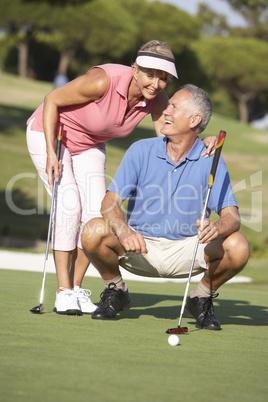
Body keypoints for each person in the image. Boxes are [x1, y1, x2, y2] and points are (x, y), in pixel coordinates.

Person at [26, 40, 216, 316]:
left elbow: (174, 137)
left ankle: (76, 289)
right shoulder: (102, 81)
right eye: (150, 74)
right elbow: (51, 100)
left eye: (163, 78)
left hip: (90, 144)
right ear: (135, 69)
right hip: (53, 135)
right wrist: (50, 154)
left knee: (95, 216)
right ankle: (63, 291)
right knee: (69, 208)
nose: (156, 83)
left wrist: (202, 140)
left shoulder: (158, 100)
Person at [81, 84, 250, 330]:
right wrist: (124, 230)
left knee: (238, 245)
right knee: (92, 230)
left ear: (194, 120)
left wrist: (217, 227)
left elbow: (232, 217)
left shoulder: (210, 159)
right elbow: (110, 203)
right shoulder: (141, 149)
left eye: (173, 107)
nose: (165, 112)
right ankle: (115, 290)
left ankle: (200, 297)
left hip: (190, 249)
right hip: (139, 246)